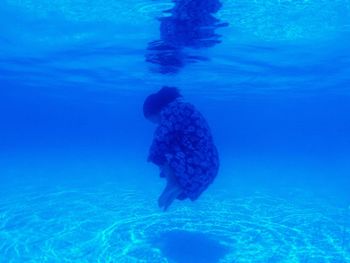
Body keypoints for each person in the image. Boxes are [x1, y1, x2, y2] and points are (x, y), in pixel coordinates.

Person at [143, 86, 219, 211]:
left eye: (156, 120)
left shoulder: (172, 109)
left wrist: (153, 157)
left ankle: (172, 182)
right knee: (181, 194)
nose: (158, 123)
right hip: (209, 166)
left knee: (157, 150)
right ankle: (177, 185)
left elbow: (160, 139)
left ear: (156, 110)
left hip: (198, 163)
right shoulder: (182, 106)